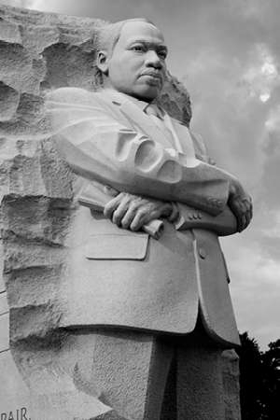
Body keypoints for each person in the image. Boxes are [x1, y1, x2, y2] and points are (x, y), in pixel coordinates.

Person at [46, 18, 252, 420]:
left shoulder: (189, 137)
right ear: (103, 61)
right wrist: (224, 180)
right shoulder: (75, 103)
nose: (155, 61)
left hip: (205, 309)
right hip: (125, 297)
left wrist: (171, 207)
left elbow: (234, 216)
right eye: (140, 49)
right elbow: (134, 162)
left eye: (162, 53)